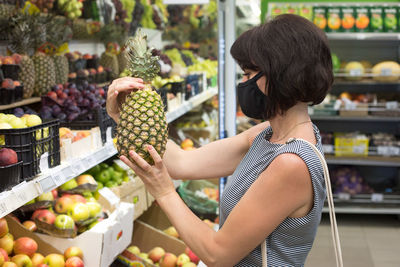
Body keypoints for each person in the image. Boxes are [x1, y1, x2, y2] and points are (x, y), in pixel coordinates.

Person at [107, 14, 333, 267]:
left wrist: (164, 191)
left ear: (283, 74)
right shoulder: (267, 135)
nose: (243, 83)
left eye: (248, 74)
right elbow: (183, 162)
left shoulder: (291, 164)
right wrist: (125, 116)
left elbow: (218, 254)